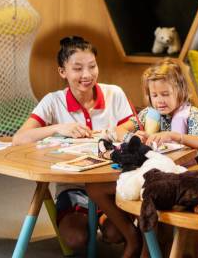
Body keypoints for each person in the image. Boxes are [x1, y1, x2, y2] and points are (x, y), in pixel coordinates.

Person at [13, 36, 141, 256]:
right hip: (72, 186)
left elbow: (135, 124)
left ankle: (111, 222)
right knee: (75, 238)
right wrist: (58, 128)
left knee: (115, 234)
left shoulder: (114, 93)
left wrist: (109, 132)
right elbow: (20, 138)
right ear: (62, 71)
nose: (87, 75)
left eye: (92, 66)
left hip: (111, 182)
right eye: (78, 68)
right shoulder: (53, 101)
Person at [86, 59, 198, 257]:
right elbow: (119, 130)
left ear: (180, 91)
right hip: (147, 174)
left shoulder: (191, 114)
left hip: (176, 179)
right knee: (94, 188)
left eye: (165, 94)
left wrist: (176, 136)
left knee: (150, 203)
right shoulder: (149, 113)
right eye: (154, 95)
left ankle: (146, 250)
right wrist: (131, 136)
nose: (160, 100)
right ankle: (132, 236)